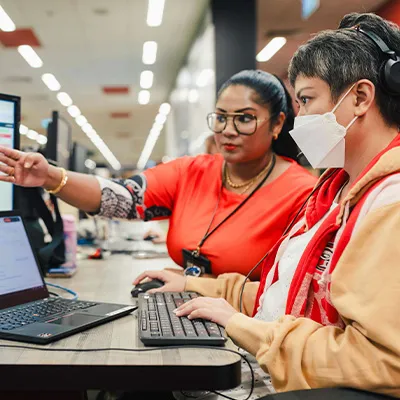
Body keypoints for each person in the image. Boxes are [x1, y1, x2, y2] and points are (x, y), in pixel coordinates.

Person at [134, 12, 400, 397]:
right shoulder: (334, 191)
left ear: (360, 97)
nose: (300, 118)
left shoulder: (388, 203)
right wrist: (194, 286)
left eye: (306, 100)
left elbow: (384, 363)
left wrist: (243, 327)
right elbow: (283, 297)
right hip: (278, 370)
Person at [0, 70, 316, 281]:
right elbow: (120, 197)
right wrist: (50, 177)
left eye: (245, 119)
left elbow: (293, 291)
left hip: (253, 338)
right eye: (220, 118)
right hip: (189, 317)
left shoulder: (303, 193)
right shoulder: (192, 171)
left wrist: (196, 286)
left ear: (277, 124)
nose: (228, 131)